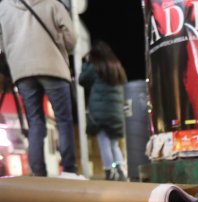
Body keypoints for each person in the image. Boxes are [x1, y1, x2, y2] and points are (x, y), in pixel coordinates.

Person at [0, 0, 83, 179]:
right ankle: (69, 170)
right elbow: (71, 38)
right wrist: (59, 46)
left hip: (22, 70)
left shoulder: (4, 6)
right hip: (52, 65)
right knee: (63, 120)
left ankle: (38, 173)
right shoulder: (52, 3)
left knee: (35, 121)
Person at [79, 41, 127, 181]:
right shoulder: (117, 67)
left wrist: (86, 63)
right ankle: (120, 169)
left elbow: (82, 80)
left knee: (104, 143)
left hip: (100, 113)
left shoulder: (95, 67)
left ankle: (109, 172)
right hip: (116, 113)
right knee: (114, 144)